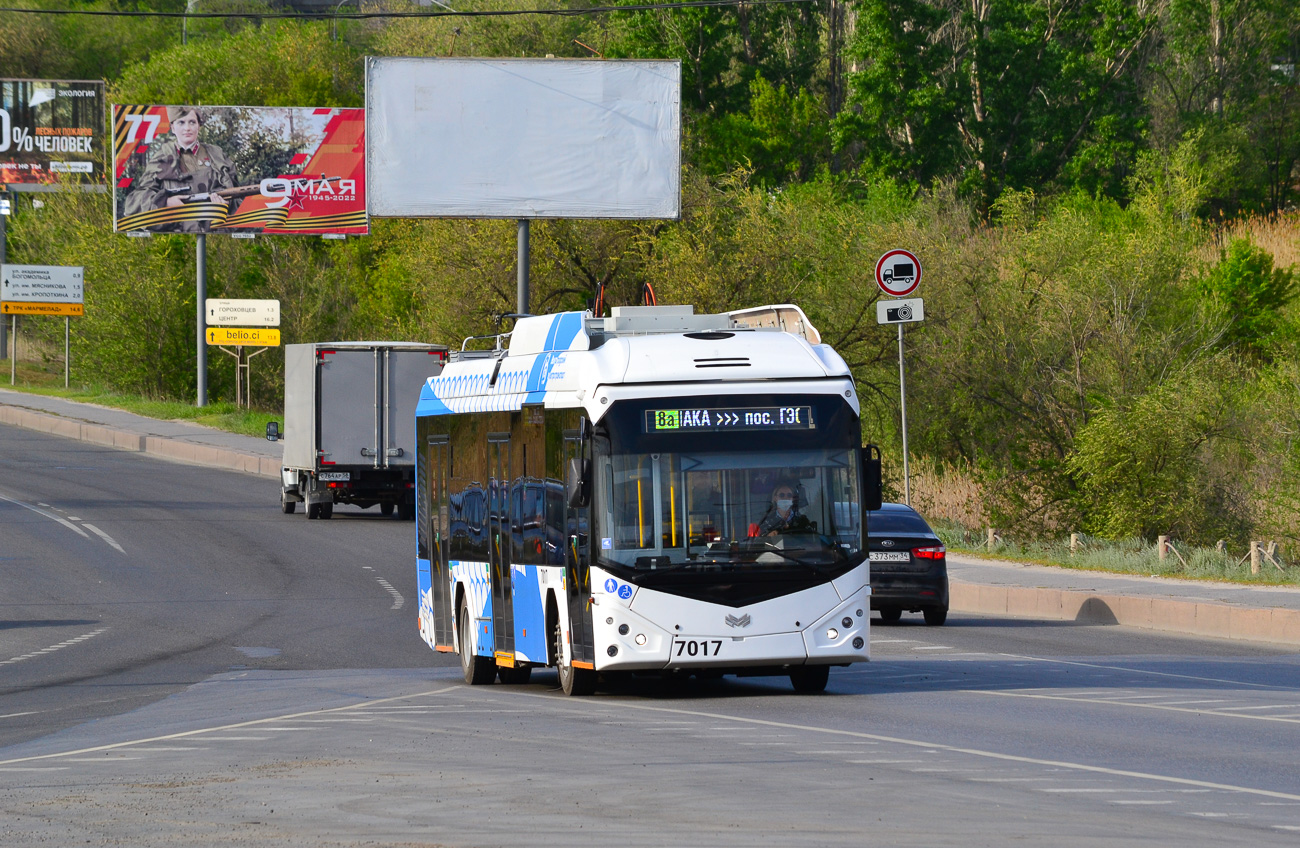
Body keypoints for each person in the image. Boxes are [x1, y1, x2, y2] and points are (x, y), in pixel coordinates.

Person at [123, 107, 238, 233]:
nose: (187, 128)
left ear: (198, 126)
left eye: (192, 122)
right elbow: (135, 201)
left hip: (214, 236)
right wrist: (166, 202)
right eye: (181, 122)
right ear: (173, 128)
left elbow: (237, 197)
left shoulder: (216, 155)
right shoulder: (162, 158)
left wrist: (224, 204)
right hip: (176, 238)